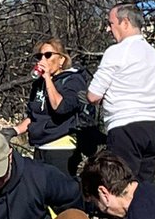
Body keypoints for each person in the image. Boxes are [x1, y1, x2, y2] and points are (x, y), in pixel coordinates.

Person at [87, 4, 155, 184]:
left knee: (120, 188)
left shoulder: (117, 52)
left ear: (125, 22)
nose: (108, 29)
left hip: (124, 128)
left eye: (111, 23)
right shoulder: (154, 55)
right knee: (144, 190)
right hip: (152, 129)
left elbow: (93, 95)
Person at [13, 37, 100, 177]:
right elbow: (33, 116)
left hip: (61, 149)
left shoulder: (72, 81)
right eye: (39, 56)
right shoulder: (38, 85)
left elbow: (60, 107)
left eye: (48, 55)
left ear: (61, 60)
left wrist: (47, 78)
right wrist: (14, 131)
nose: (43, 59)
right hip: (40, 148)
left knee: (60, 193)